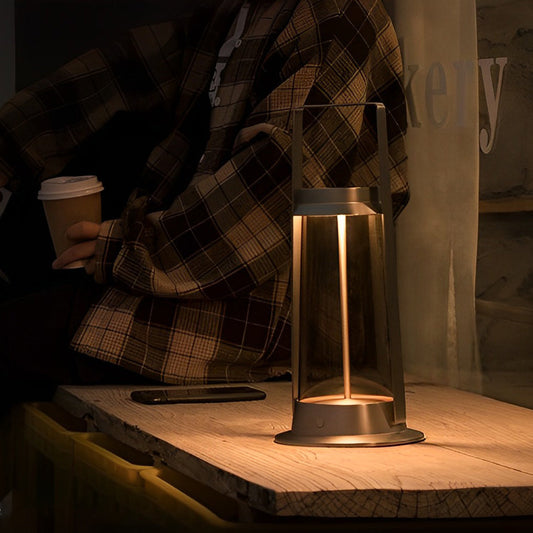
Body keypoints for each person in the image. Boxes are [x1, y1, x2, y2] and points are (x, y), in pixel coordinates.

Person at [0, 0, 408, 408]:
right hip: (199, 284)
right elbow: (120, 72)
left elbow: (272, 197)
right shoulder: (235, 16)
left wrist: (125, 249)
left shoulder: (333, 15)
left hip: (273, 326)